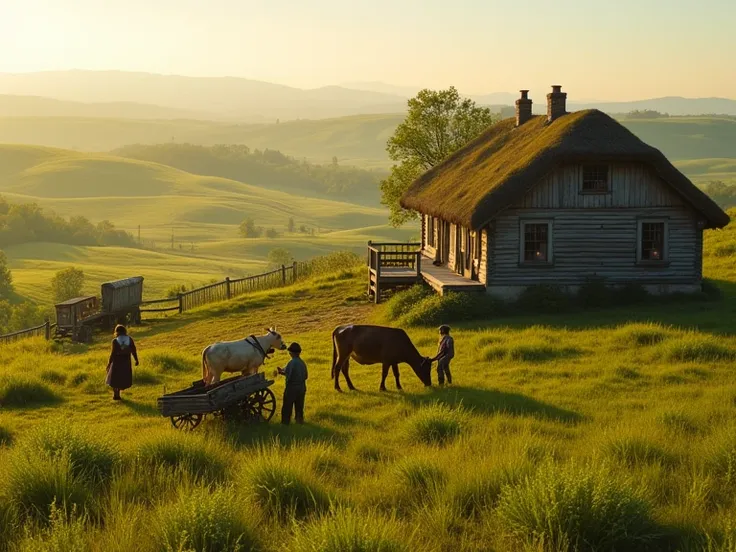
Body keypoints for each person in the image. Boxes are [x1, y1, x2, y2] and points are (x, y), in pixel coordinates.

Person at [277, 342, 308, 425]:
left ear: (291, 353)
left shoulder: (292, 362)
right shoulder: (302, 363)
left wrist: (281, 372)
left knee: (287, 406)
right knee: (299, 406)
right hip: (302, 387)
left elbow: (288, 375)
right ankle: (299, 420)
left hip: (292, 388)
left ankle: (285, 423)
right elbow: (306, 376)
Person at [106, 324, 138, 401]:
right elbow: (134, 350)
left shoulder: (115, 341)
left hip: (117, 361)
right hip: (126, 361)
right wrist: (136, 359)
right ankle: (118, 393)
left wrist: (109, 363)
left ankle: (115, 394)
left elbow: (113, 353)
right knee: (122, 377)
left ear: (116, 332)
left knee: (114, 378)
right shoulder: (129, 339)